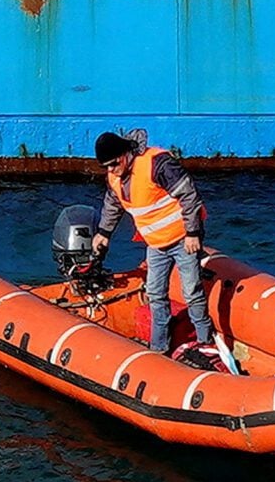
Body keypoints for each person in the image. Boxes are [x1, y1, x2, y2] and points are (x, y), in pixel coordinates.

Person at [91, 128, 220, 361]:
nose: (111, 170)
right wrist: (103, 233)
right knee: (155, 293)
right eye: (106, 167)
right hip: (156, 244)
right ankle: (159, 347)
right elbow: (113, 205)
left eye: (113, 164)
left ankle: (205, 341)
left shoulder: (157, 164)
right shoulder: (115, 177)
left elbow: (189, 195)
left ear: (124, 153)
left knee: (191, 291)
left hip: (183, 239)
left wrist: (193, 233)